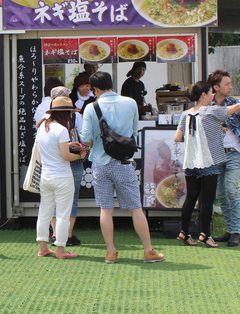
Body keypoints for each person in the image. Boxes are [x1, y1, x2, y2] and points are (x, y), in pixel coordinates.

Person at [81, 71, 164, 263]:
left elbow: (86, 139)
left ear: (95, 89)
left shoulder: (90, 107)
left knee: (105, 210)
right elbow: (134, 130)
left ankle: (111, 252)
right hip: (124, 163)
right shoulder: (130, 103)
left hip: (100, 164)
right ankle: (148, 251)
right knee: (135, 208)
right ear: (111, 84)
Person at [174, 80, 240, 248]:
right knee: (207, 201)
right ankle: (205, 235)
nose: (213, 96)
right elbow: (235, 108)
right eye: (211, 93)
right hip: (208, 161)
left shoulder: (185, 114)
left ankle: (184, 232)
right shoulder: (211, 111)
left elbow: (178, 138)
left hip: (190, 163)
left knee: (190, 199)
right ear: (204, 95)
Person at [35, 96, 88, 259]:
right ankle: (61, 250)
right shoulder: (62, 130)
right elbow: (66, 156)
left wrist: (69, 146)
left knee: (44, 212)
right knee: (63, 214)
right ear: (66, 114)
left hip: (46, 176)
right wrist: (81, 154)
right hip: (62, 177)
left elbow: (52, 148)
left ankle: (43, 248)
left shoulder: (43, 126)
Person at [209, 70, 240, 247]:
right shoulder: (208, 103)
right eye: (227, 84)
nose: (231, 87)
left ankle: (236, 231)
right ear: (216, 87)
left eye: (230, 83)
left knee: (231, 190)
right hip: (216, 153)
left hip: (234, 152)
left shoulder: (235, 103)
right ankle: (230, 229)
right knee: (221, 193)